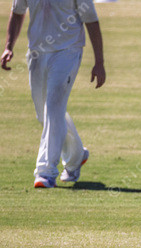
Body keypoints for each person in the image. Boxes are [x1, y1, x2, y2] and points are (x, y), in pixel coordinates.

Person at [1, 0, 106, 188]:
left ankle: (45, 172)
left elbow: (91, 20)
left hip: (68, 51)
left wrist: (99, 62)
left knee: (53, 109)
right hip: (36, 53)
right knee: (45, 114)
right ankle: (76, 155)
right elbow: (17, 12)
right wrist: (9, 46)